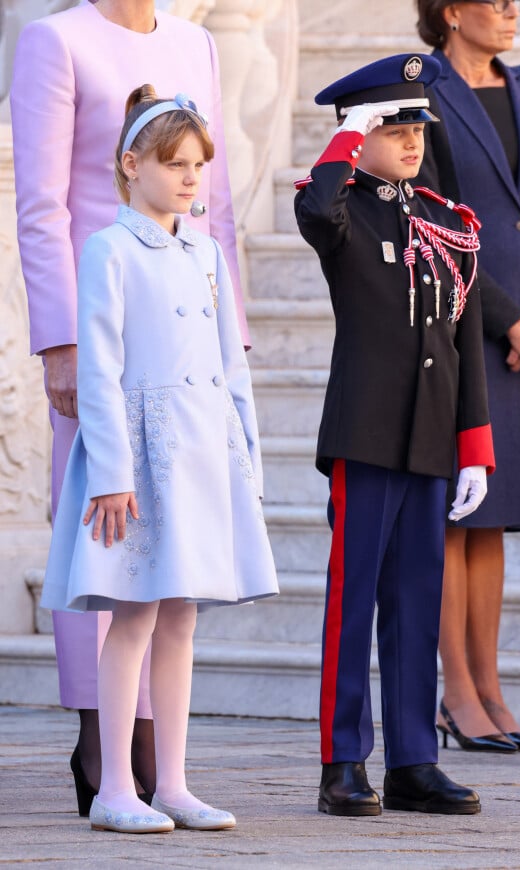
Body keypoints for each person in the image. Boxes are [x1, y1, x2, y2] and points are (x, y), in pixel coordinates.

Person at [10, 0, 250, 813]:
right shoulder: (56, 39)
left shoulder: (196, 42)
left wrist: (231, 336)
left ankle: (164, 764)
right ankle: (105, 746)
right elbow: (42, 206)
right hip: (102, 317)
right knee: (105, 537)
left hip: (187, 319)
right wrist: (58, 341)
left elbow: (212, 207)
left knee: (175, 581)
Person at [40, 84, 278, 834]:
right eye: (173, 163)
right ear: (130, 163)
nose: (187, 178)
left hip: (206, 450)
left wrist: (248, 459)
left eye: (198, 165)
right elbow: (101, 371)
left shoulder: (205, 252)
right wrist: (111, 474)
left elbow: (228, 365)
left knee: (182, 616)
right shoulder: (109, 250)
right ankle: (116, 787)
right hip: (138, 461)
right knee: (133, 617)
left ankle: (171, 781)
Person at [294, 53, 496, 817]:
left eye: (416, 123)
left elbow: (465, 339)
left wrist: (474, 445)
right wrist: (344, 142)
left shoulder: (448, 222)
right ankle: (342, 760)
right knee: (354, 601)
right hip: (367, 431)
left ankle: (415, 759)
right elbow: (317, 213)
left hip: (431, 439)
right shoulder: (342, 209)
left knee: (418, 600)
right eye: (391, 124)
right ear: (359, 130)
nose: (410, 139)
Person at [415, 0, 520, 753]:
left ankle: (492, 690)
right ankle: (455, 694)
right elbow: (432, 225)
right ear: (452, 11)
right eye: (498, 1)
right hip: (461, 334)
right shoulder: (424, 90)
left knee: (498, 517)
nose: (514, 12)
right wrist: (509, 319)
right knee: (458, 515)